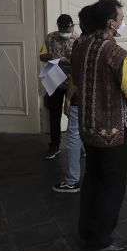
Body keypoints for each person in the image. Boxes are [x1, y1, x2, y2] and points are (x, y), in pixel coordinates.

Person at [70, 0, 127, 251]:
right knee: (111, 186)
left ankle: (86, 231)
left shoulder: (80, 45)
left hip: (87, 128)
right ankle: (101, 239)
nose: (123, 22)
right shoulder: (117, 53)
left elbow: (75, 79)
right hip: (112, 133)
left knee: (92, 180)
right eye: (120, 18)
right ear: (110, 23)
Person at [53, 7, 95, 193]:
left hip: (77, 93)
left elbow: (76, 77)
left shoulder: (80, 43)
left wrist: (68, 99)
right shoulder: (102, 43)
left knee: (73, 136)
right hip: (89, 96)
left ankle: (72, 180)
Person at [39, 14, 78, 160]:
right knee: (54, 115)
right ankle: (54, 146)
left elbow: (81, 62)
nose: (65, 32)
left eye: (67, 29)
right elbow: (41, 55)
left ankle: (76, 146)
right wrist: (51, 58)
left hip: (72, 84)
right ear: (58, 27)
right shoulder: (50, 38)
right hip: (54, 81)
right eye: (62, 29)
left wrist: (69, 62)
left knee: (74, 116)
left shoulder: (78, 40)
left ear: (72, 26)